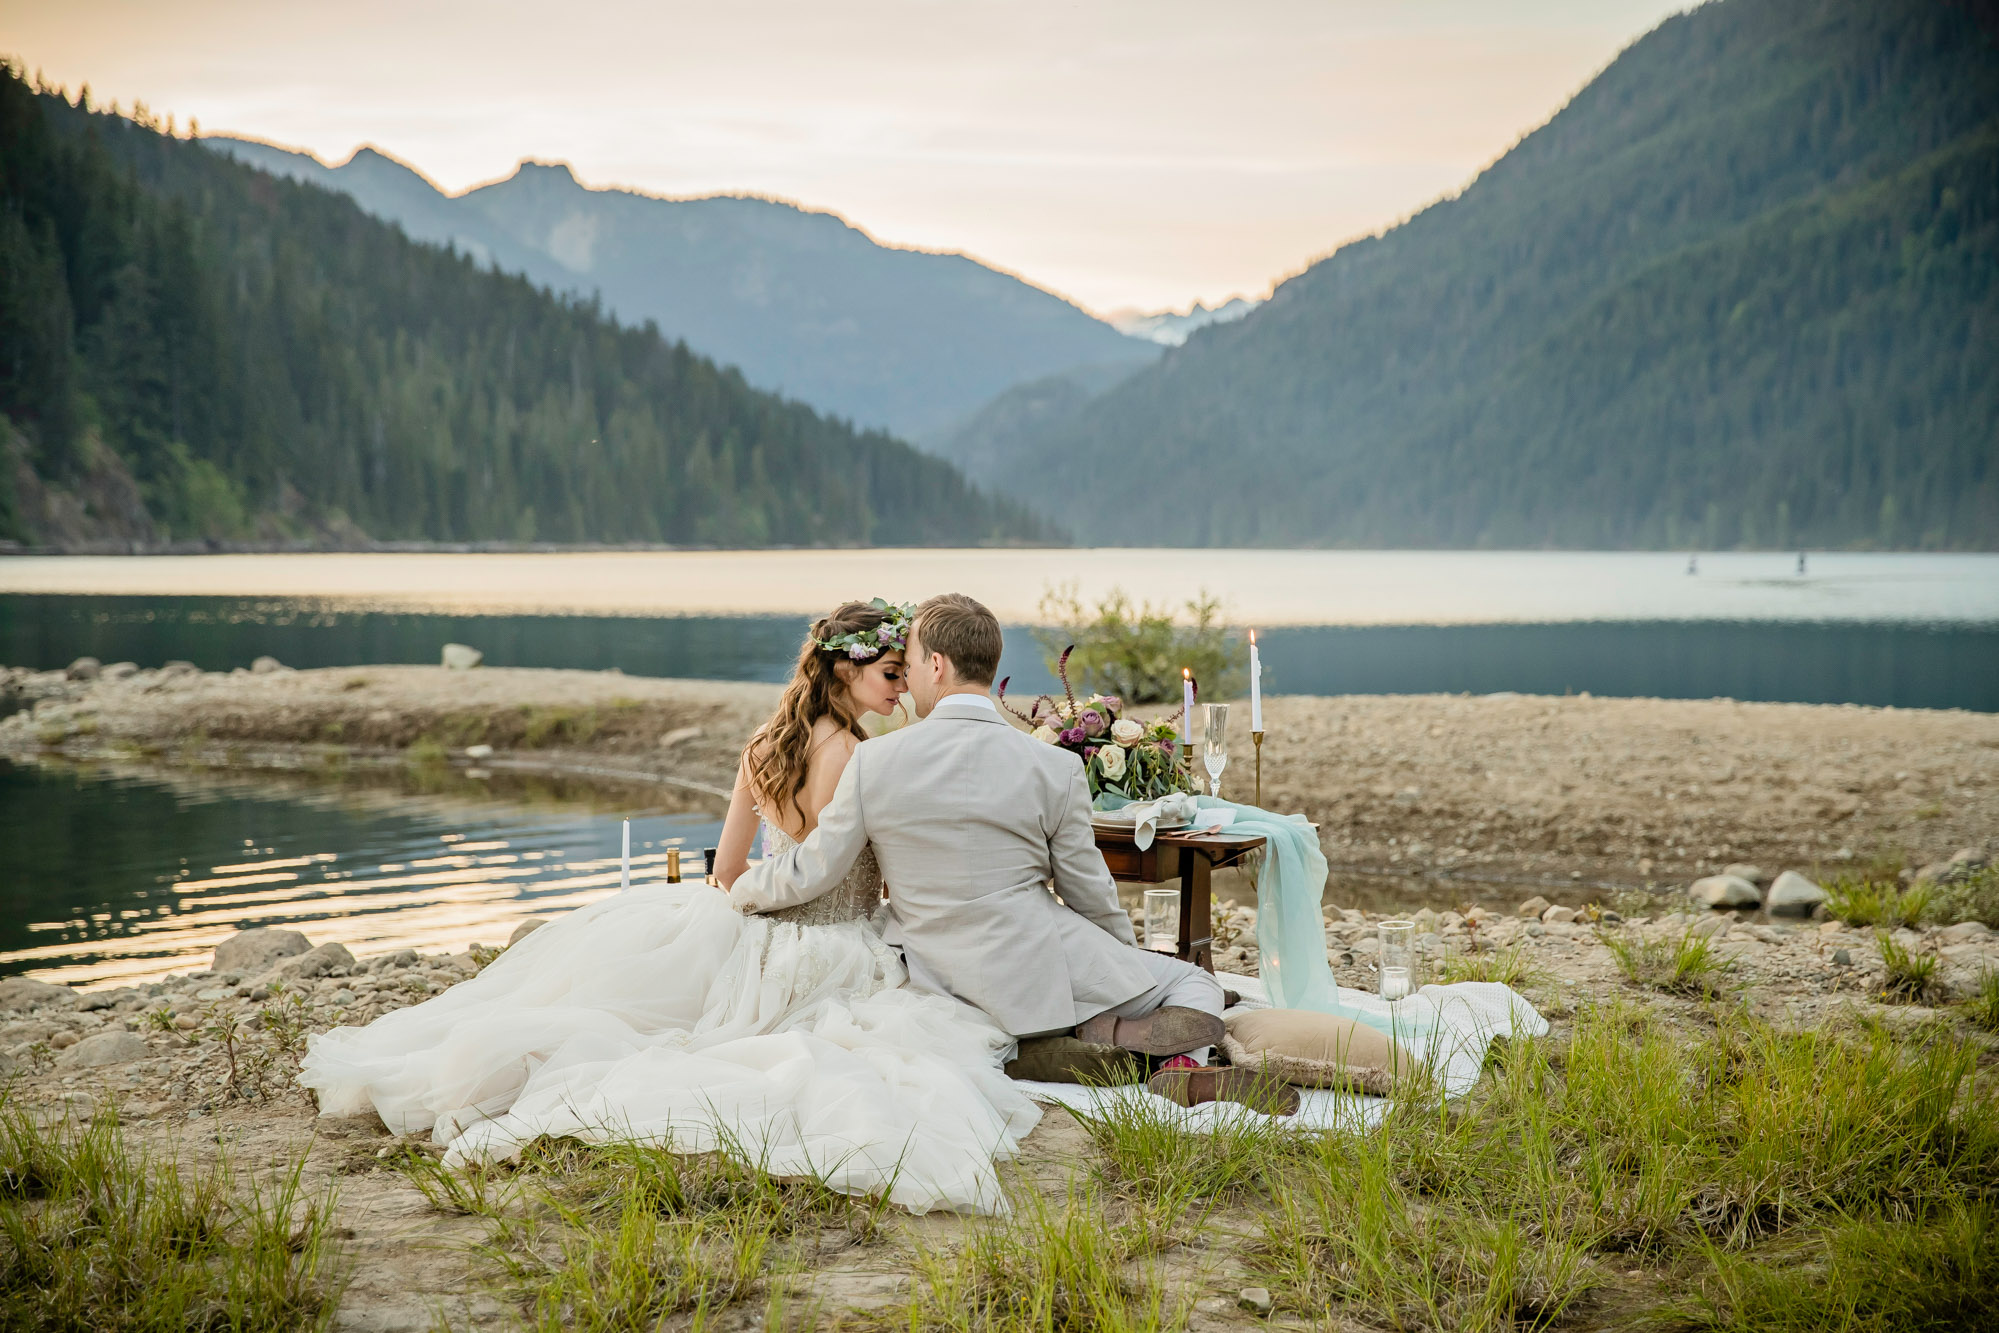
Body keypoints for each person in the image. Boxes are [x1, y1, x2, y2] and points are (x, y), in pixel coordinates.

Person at [298, 599, 1039, 1214]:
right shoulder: (855, 753)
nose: (902, 689)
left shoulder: (763, 743)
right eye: (888, 673)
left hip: (756, 925)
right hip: (832, 937)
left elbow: (724, 867)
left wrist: (749, 911)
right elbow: (827, 871)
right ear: (847, 668)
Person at [729, 592, 1296, 1115]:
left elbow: (815, 870)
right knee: (1193, 983)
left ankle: (1068, 1045)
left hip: (932, 974)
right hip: (1035, 962)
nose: (908, 684)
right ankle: (1149, 1052)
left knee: (1133, 986)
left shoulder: (874, 762)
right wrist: (1119, 965)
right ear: (989, 666)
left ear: (937, 666)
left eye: (913, 664)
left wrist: (741, 891)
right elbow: (1087, 891)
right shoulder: (1054, 766)